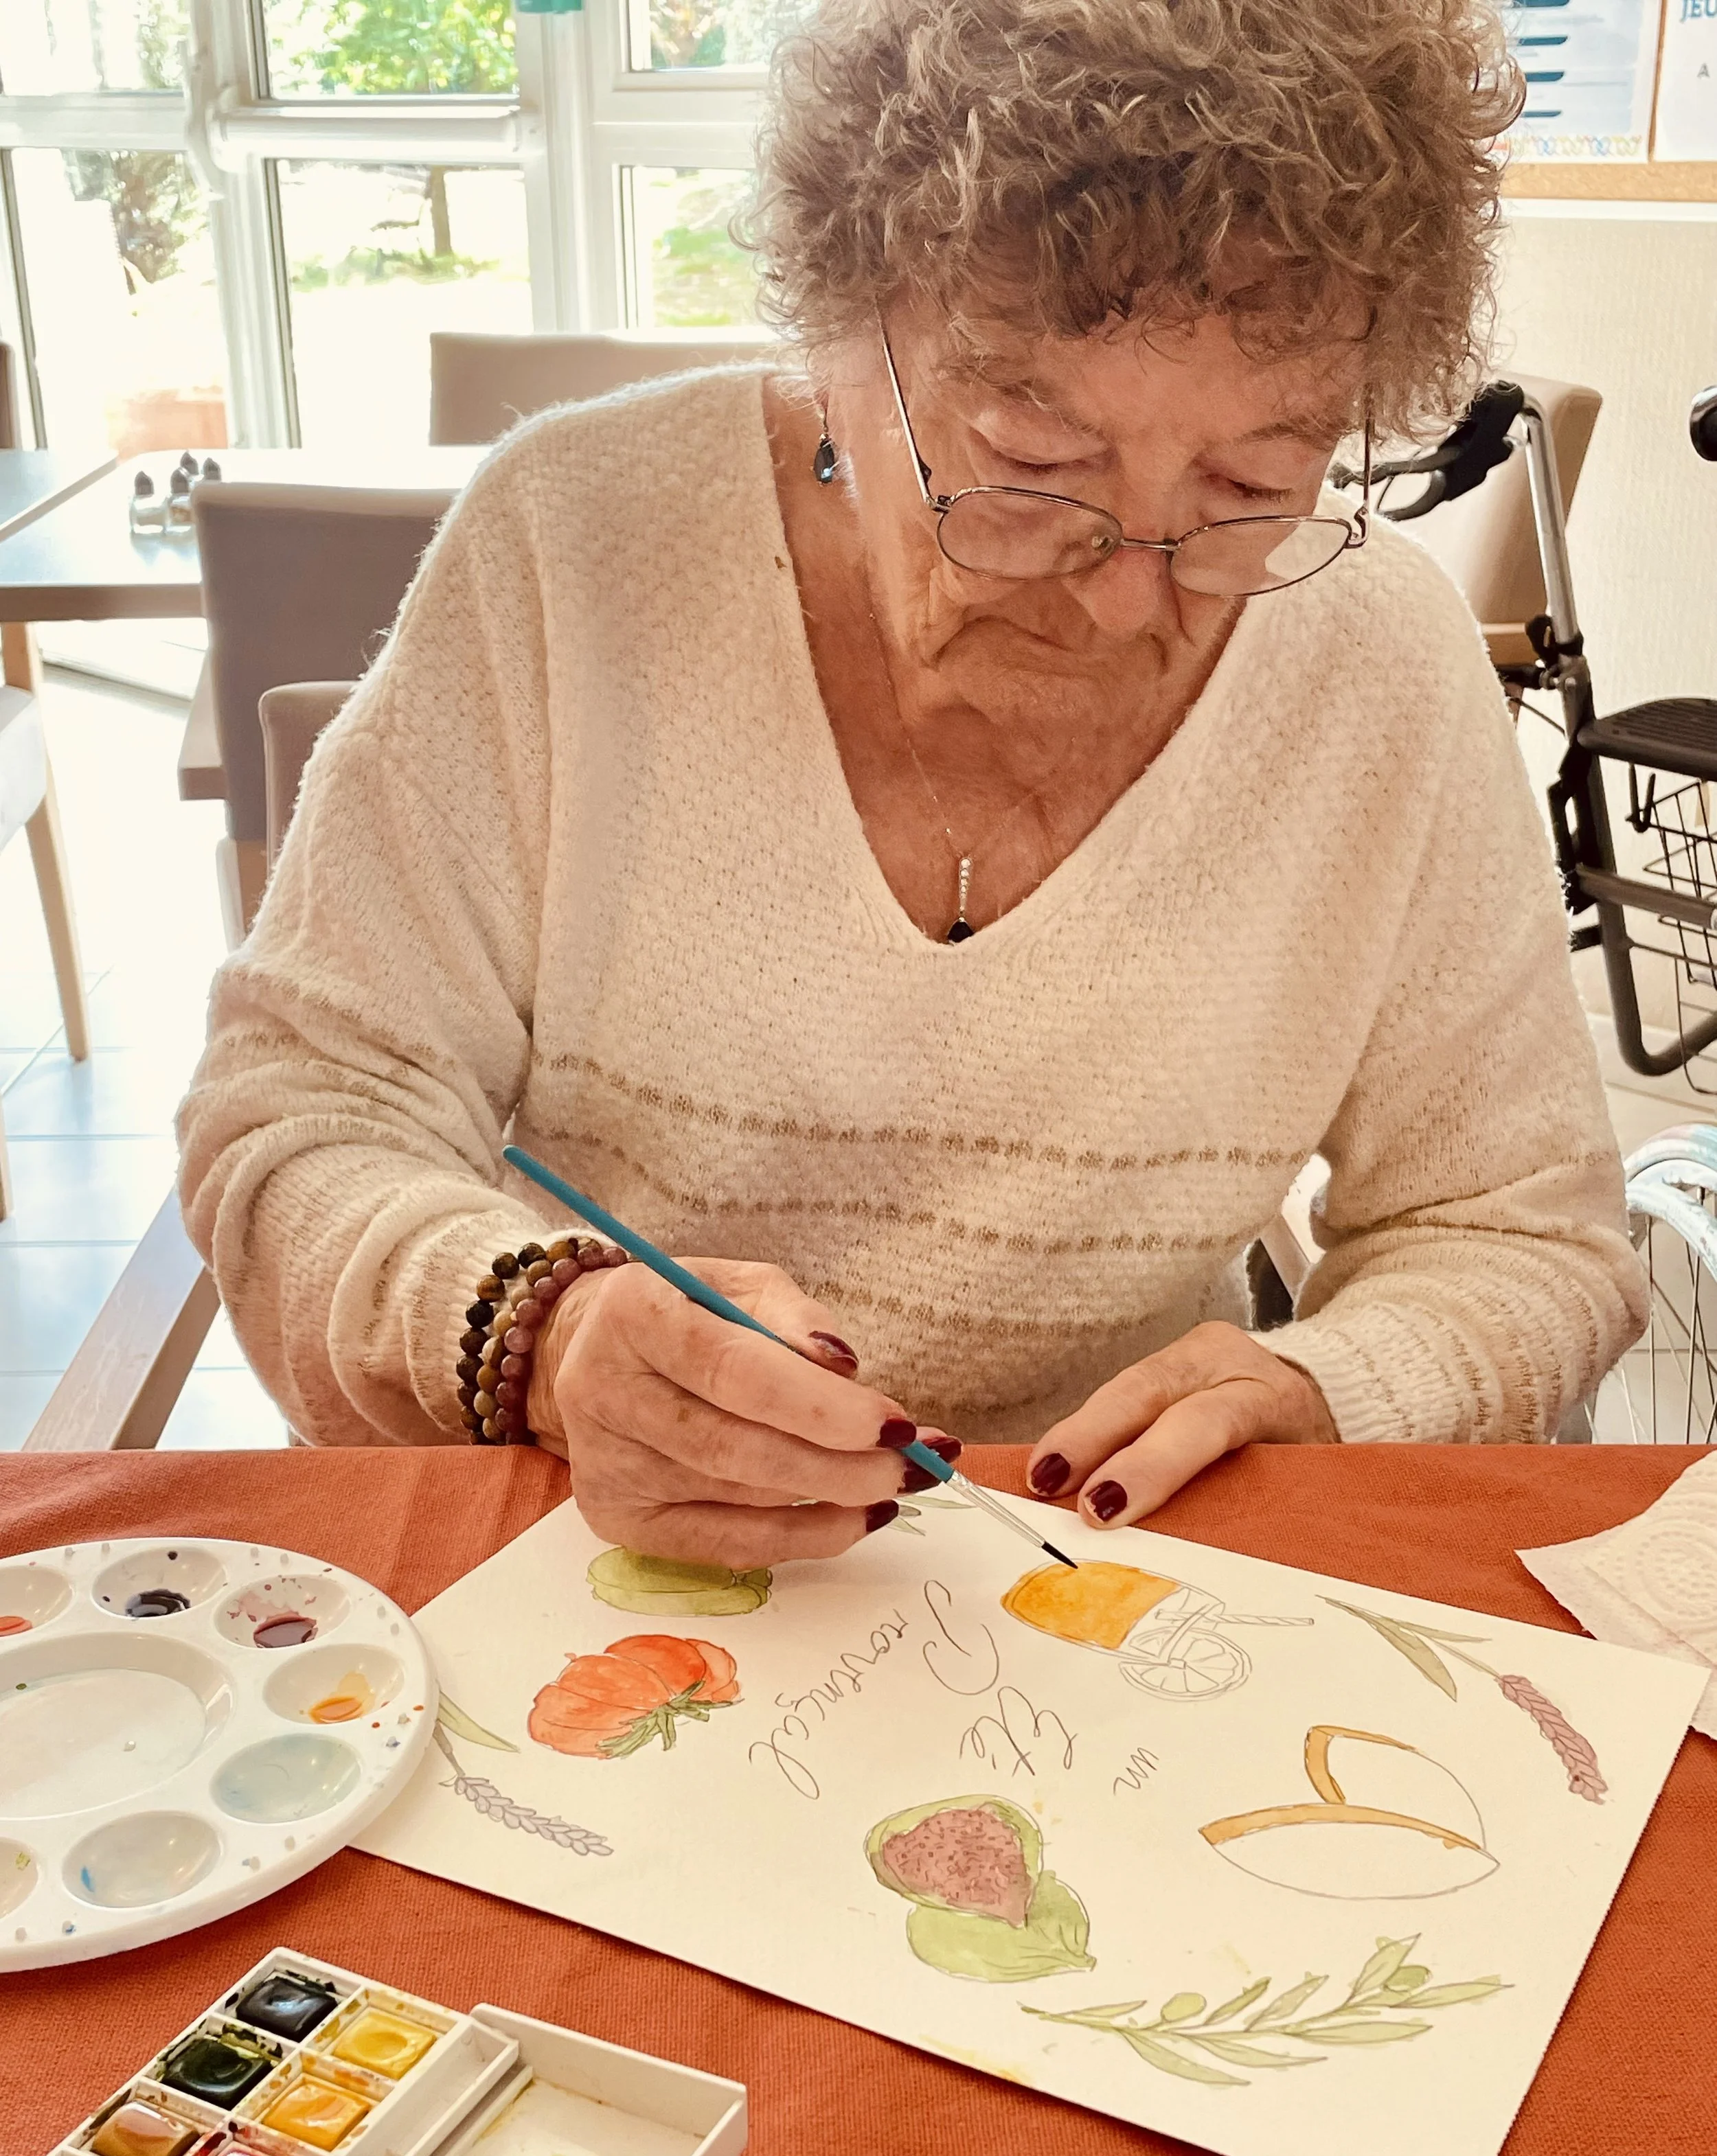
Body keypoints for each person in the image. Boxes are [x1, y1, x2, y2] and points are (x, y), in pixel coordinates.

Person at [178, 0, 1646, 1562]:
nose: (1125, 595)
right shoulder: (575, 542)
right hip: (592, 1564)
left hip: (1104, 1590)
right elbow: (300, 1118)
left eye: (1248, 486)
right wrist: (541, 1339)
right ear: (835, 325)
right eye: (1027, 462)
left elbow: (1519, 1229)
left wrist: (1327, 1381)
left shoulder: (1379, 667)